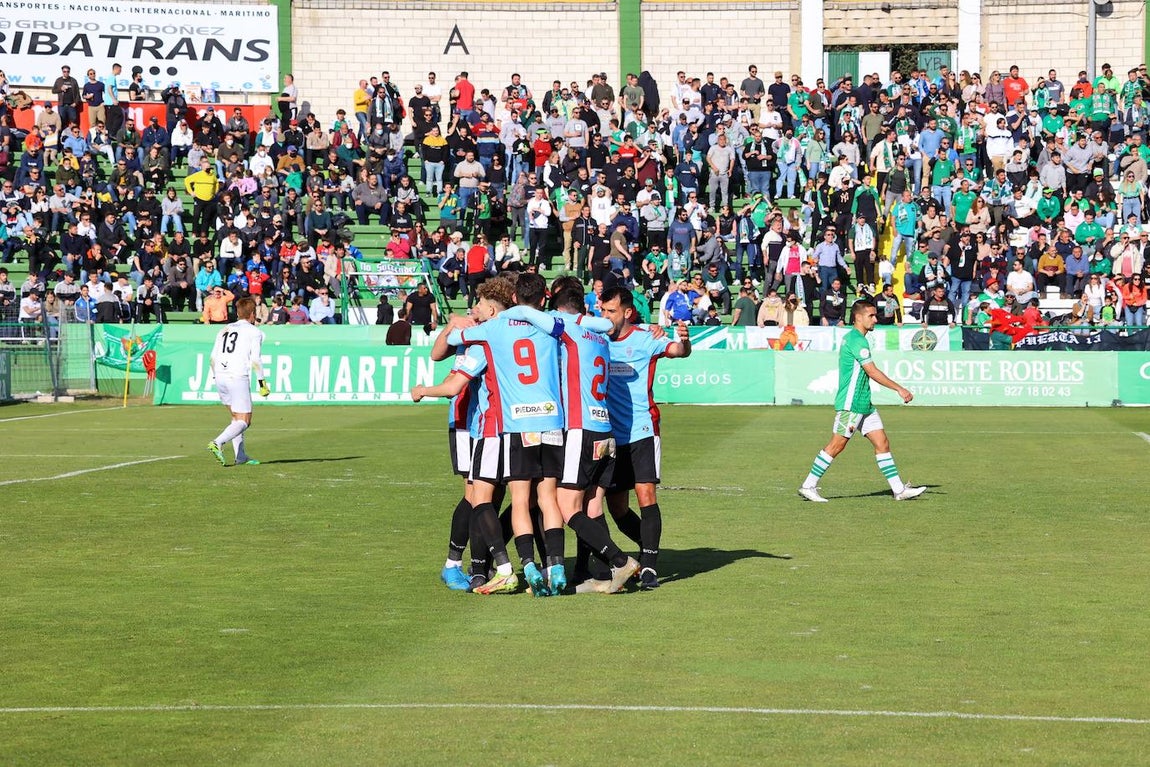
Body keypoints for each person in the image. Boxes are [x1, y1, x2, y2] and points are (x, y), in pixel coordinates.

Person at [598, 286, 692, 589]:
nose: (605, 316)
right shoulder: (595, 340)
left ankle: (649, 566)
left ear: (627, 312)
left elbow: (678, 351)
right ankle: (648, 546)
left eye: (611, 311)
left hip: (642, 430)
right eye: (602, 310)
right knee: (617, 508)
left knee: (646, 495)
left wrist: (684, 340)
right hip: (610, 435)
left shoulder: (645, 338)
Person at [799, 299, 925, 503]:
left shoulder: (856, 338)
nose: (875, 319)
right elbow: (872, 371)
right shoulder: (857, 340)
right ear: (858, 317)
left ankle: (899, 490)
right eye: (871, 316)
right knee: (836, 445)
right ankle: (808, 485)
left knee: (882, 442)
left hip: (864, 403)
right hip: (852, 403)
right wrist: (899, 389)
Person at [207, 297, 269, 467]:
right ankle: (218, 442)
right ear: (253, 313)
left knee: (236, 418)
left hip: (220, 376)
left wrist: (215, 377)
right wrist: (262, 383)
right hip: (237, 376)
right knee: (245, 420)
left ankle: (240, 456)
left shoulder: (224, 329)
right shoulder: (254, 332)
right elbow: (256, 359)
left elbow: (212, 358)